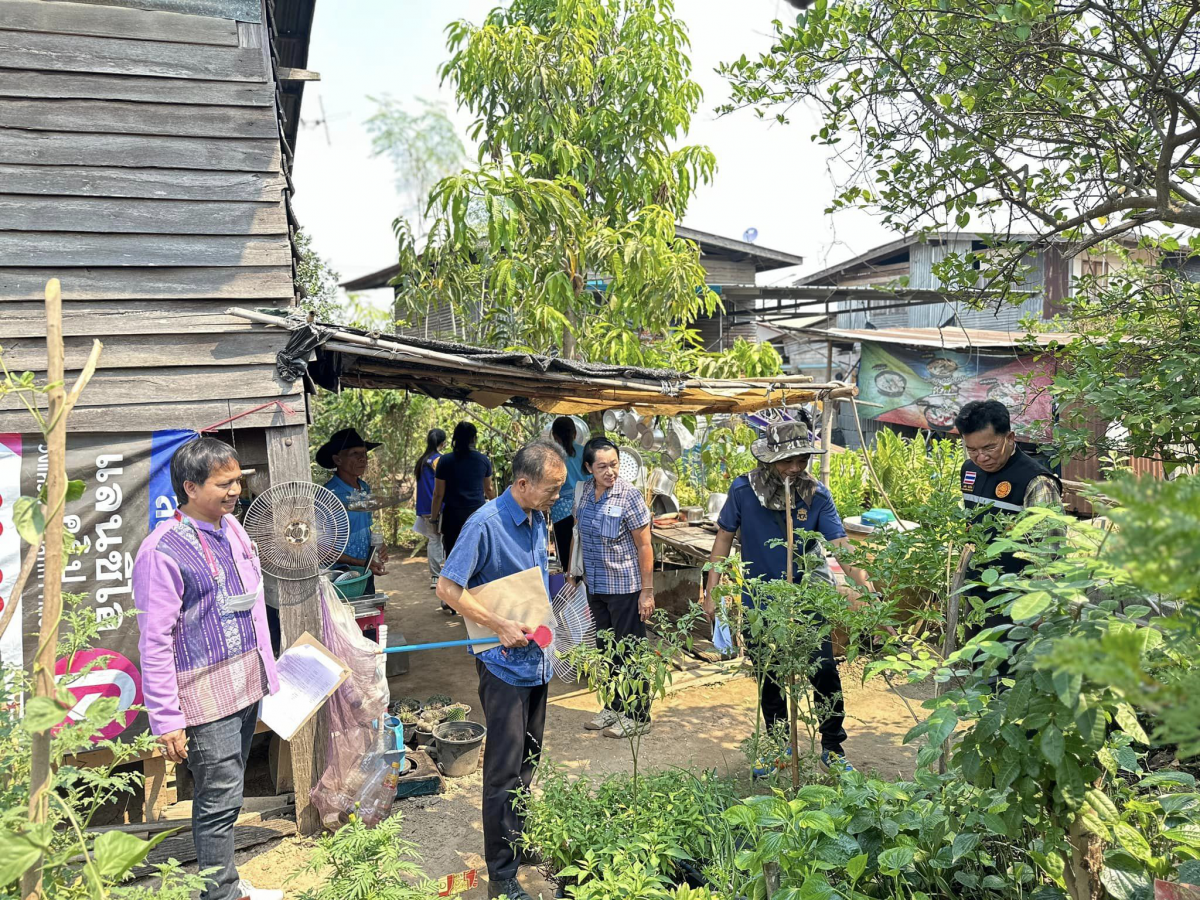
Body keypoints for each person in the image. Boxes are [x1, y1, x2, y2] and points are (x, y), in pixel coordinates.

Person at [132, 438, 282, 900]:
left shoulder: (233, 529)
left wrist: (267, 674)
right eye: (224, 483)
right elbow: (154, 641)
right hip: (205, 698)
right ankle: (219, 893)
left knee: (229, 793)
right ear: (190, 487)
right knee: (217, 801)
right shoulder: (162, 551)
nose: (236, 490)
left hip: (243, 685)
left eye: (238, 480)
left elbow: (251, 608)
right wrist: (167, 718)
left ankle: (225, 884)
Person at [703, 416, 875, 773]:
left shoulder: (815, 494)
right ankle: (779, 746)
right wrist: (711, 590)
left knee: (824, 668)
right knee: (770, 672)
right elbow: (723, 538)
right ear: (768, 458)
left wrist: (870, 594)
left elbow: (842, 546)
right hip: (760, 599)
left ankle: (832, 747)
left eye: (802, 460)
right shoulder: (743, 491)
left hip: (808, 595)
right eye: (787, 460)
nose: (795, 468)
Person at [436, 441, 567, 900]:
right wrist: (498, 623)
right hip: (503, 667)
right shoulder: (484, 524)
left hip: (537, 663)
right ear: (523, 484)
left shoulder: (537, 517)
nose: (557, 497)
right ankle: (502, 875)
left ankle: (520, 840)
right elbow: (448, 587)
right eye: (552, 489)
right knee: (503, 772)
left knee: (528, 763)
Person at [955, 400, 1063, 655]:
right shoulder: (970, 471)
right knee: (979, 663)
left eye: (989, 447)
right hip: (978, 591)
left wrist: (1037, 604)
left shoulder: (1036, 481)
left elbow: (1050, 549)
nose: (981, 457)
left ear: (1010, 437)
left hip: (1016, 596)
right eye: (972, 449)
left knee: (1008, 673)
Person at [566, 437, 654, 738]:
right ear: (589, 467)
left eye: (614, 465)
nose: (610, 472)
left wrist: (647, 591)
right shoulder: (584, 493)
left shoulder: (629, 496)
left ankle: (639, 715)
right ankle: (615, 707)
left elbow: (645, 545)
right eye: (602, 466)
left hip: (626, 587)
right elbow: (578, 535)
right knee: (606, 650)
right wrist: (572, 571)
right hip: (596, 586)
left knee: (630, 651)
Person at [318, 427, 388, 594]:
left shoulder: (364, 488)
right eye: (355, 453)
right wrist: (360, 562)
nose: (362, 459)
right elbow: (322, 546)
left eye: (364, 453)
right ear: (337, 459)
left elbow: (366, 526)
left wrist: (379, 545)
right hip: (341, 575)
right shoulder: (328, 495)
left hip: (365, 569)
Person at [429, 421, 495, 567]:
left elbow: (438, 494)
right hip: (477, 515)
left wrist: (434, 519)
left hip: (452, 517)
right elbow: (488, 489)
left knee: (453, 557)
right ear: (474, 438)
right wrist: (498, 508)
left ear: (455, 438)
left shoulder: (445, 461)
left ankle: (455, 588)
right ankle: (474, 588)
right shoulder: (483, 460)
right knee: (477, 556)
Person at [547, 416, 586, 563]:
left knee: (566, 557)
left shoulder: (552, 456)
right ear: (575, 433)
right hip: (585, 508)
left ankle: (570, 584)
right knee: (585, 555)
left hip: (561, 511)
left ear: (555, 436)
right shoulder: (586, 452)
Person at [415, 428, 448, 591]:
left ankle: (435, 576)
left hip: (423, 507)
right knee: (439, 539)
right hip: (438, 506)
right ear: (443, 443)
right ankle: (439, 575)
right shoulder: (439, 460)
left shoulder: (421, 461)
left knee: (433, 539)